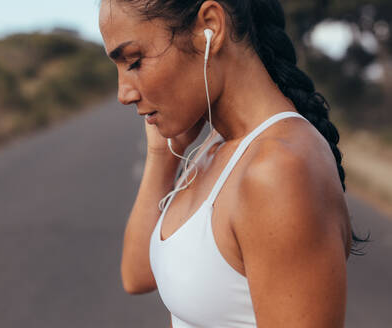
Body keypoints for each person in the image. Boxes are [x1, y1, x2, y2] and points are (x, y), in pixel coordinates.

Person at [99, 0, 369, 327]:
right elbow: (138, 274)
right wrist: (161, 154)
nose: (123, 93)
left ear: (209, 26)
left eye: (135, 61)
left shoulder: (278, 169)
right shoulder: (216, 147)